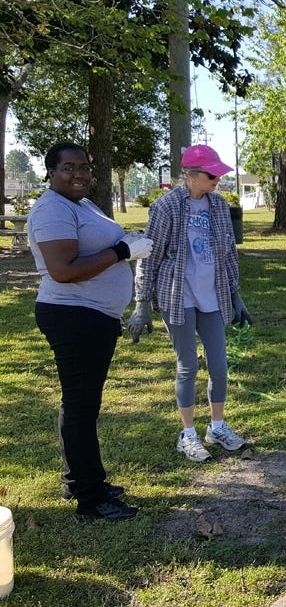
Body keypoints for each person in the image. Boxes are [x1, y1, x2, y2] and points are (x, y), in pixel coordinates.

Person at [28, 142, 153, 521]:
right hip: (74, 316)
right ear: (51, 172)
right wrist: (122, 252)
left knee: (80, 405)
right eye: (69, 167)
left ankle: (79, 480)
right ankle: (91, 497)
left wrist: (126, 241)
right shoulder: (52, 209)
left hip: (91, 316)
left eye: (84, 167)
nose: (79, 174)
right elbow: (63, 270)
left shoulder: (81, 204)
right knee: (81, 407)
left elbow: (97, 244)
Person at [127, 144, 252, 462]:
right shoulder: (166, 206)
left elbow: (228, 254)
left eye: (218, 176)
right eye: (212, 176)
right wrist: (141, 303)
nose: (217, 181)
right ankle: (188, 434)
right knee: (188, 366)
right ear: (191, 175)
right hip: (177, 295)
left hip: (213, 295)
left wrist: (235, 295)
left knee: (219, 367)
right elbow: (149, 256)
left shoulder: (219, 205)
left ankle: (217, 427)